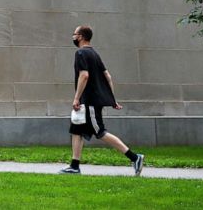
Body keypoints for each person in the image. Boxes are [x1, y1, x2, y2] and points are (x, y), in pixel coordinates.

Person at [60, 25, 145, 176]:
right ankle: (74, 166)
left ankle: (134, 157)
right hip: (90, 102)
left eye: (74, 34)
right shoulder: (94, 54)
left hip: (89, 102)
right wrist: (113, 99)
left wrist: (76, 98)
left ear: (81, 36)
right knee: (76, 131)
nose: (73, 37)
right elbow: (108, 76)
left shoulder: (80, 53)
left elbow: (84, 75)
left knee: (100, 132)